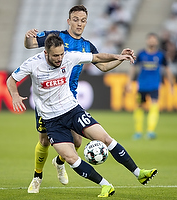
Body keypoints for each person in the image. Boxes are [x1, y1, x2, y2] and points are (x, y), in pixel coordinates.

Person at [7, 34, 157, 198]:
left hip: (72, 111)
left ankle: (139, 173)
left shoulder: (70, 57)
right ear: (46, 53)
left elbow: (98, 57)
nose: (59, 59)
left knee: (106, 139)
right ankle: (105, 185)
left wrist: (119, 56)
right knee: (71, 158)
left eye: (61, 54)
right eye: (55, 55)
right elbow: (11, 80)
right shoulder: (33, 63)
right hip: (51, 120)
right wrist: (14, 95)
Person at [23, 5, 135, 193]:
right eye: (75, 19)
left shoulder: (87, 46)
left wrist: (121, 58)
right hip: (48, 102)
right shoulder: (56, 37)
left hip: (70, 101)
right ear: (69, 21)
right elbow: (30, 44)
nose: (79, 23)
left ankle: (60, 162)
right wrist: (27, 37)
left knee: (76, 142)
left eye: (83, 20)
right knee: (44, 142)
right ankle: (37, 176)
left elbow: (104, 67)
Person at [126, 33, 174, 140]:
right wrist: (129, 83)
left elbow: (167, 70)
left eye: (154, 40)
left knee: (154, 106)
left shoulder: (161, 55)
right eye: (150, 39)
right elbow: (133, 68)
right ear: (147, 41)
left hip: (154, 86)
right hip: (141, 86)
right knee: (139, 107)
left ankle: (150, 131)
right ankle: (138, 131)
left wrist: (171, 85)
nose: (152, 41)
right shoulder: (141, 54)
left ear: (156, 42)